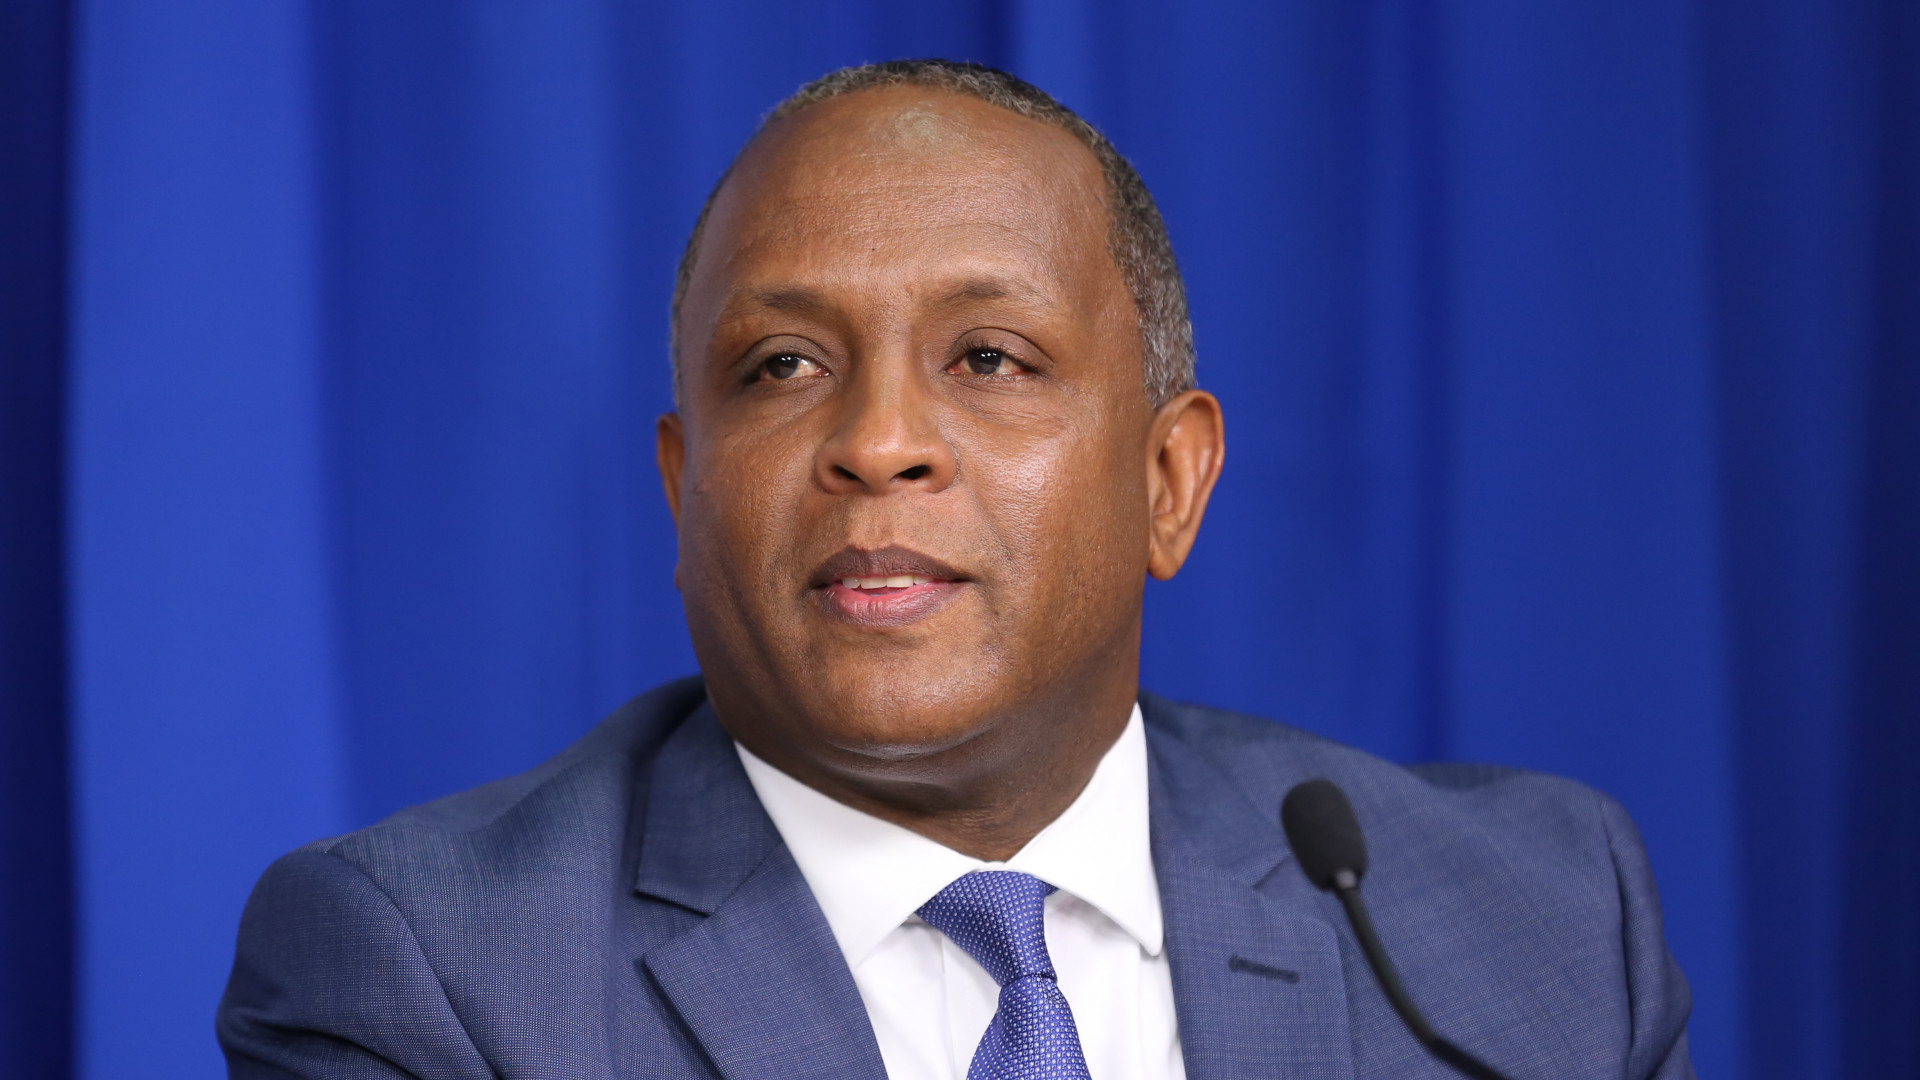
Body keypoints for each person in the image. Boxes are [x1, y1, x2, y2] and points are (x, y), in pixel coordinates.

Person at [217, 60, 1693, 1080]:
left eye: (989, 358)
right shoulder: (431, 978)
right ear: (682, 492)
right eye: (783, 365)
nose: (877, 444)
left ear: (1169, 481)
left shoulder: (1536, 925)